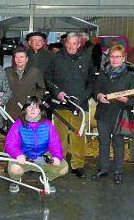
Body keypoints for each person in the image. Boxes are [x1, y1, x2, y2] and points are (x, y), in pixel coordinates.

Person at [45, 32, 93, 178]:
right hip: (62, 104)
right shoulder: (57, 58)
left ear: (79, 44)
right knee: (60, 135)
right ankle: (60, 161)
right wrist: (57, 92)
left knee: (78, 135)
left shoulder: (86, 58)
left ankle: (78, 165)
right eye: (69, 43)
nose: (71, 46)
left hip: (79, 104)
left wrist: (86, 95)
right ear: (66, 43)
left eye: (75, 44)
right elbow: (48, 77)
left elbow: (92, 78)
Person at [92, 44, 134, 184]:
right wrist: (98, 95)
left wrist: (126, 100)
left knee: (119, 143)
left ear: (123, 58)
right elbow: (96, 89)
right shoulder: (103, 73)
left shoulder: (131, 75)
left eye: (118, 57)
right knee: (104, 143)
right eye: (112, 57)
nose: (114, 59)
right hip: (103, 113)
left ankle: (118, 171)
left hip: (120, 114)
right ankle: (103, 169)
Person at [4, 96, 68, 193]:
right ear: (25, 109)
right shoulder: (18, 124)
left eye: (36, 107)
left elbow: (55, 144)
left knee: (63, 168)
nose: (33, 109)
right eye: (30, 107)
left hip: (43, 158)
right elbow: (10, 144)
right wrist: (17, 154)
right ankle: (15, 180)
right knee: (15, 169)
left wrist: (57, 157)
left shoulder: (48, 125)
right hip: (24, 158)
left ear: (40, 110)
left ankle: (46, 179)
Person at [5, 47, 46, 120]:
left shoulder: (35, 72)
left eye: (21, 57)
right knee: (13, 130)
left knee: (28, 130)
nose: (19, 59)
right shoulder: (7, 72)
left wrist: (34, 101)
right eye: (16, 57)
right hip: (11, 110)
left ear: (26, 59)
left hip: (29, 110)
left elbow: (41, 89)